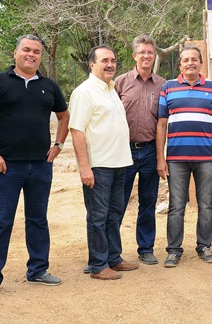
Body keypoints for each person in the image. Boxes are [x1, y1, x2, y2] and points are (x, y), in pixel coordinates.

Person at [0, 34, 69, 299]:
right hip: (6, 167)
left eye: (36, 51)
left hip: (40, 165)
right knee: (2, 221)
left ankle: (37, 269)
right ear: (15, 53)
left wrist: (58, 144)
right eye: (26, 50)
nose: (31, 54)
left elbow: (64, 116)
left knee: (38, 220)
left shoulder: (49, 86)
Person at [69, 44, 138, 280]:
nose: (110, 64)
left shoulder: (111, 89)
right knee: (98, 216)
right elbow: (76, 130)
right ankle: (98, 265)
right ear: (91, 64)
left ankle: (113, 258)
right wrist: (84, 167)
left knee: (115, 213)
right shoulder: (84, 92)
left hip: (120, 163)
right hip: (98, 166)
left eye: (113, 60)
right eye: (104, 60)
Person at [156, 45, 212, 268]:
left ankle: (204, 246)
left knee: (206, 205)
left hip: (206, 158)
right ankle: (173, 250)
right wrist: (161, 158)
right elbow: (161, 125)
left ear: (201, 63)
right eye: (186, 59)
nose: (190, 63)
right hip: (176, 159)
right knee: (177, 205)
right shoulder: (168, 88)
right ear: (180, 64)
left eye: (194, 59)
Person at [114, 35, 166, 265]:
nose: (146, 56)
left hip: (150, 152)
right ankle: (110, 252)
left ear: (154, 56)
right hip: (123, 152)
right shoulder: (119, 83)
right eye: (142, 52)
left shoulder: (163, 85)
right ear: (134, 56)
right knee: (118, 203)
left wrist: (160, 157)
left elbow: (164, 122)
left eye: (150, 52)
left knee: (148, 202)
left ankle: (146, 248)